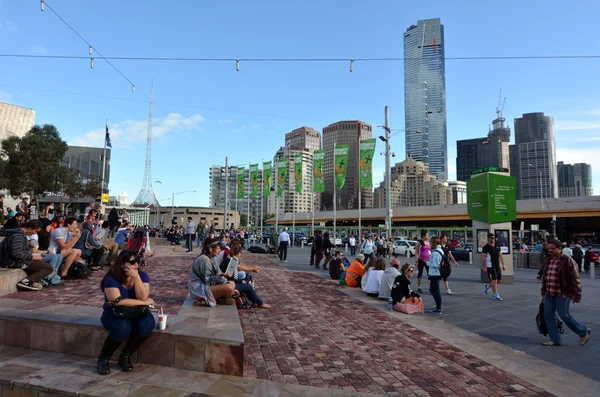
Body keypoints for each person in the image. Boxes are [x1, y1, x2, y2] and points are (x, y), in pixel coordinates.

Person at [97, 250, 155, 375]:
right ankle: (103, 359)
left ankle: (125, 355)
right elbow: (117, 301)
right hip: (114, 313)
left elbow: (143, 296)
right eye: (132, 262)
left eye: (137, 262)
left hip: (136, 312)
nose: (136, 265)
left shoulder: (142, 275)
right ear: (122, 264)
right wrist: (143, 303)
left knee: (148, 324)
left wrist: (136, 277)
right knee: (123, 328)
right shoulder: (111, 278)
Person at [540, 239, 591, 347]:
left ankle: (583, 332)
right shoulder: (547, 260)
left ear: (560, 249)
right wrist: (543, 291)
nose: (550, 250)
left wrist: (576, 295)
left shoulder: (567, 261)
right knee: (548, 315)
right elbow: (545, 276)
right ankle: (555, 339)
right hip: (549, 292)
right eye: (549, 248)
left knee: (564, 316)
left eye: (553, 248)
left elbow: (575, 279)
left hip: (562, 293)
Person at [0, 220, 53, 291]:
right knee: (47, 268)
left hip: (15, 259)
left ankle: (32, 280)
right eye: (35, 231)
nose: (34, 234)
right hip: (13, 261)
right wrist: (33, 257)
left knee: (44, 264)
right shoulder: (18, 236)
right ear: (29, 228)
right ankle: (26, 281)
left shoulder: (19, 234)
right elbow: (17, 253)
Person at [188, 237, 237, 306]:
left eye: (220, 248)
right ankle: (211, 299)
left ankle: (220, 298)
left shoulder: (212, 258)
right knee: (228, 287)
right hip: (199, 289)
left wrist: (225, 279)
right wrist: (222, 279)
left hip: (207, 286)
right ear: (210, 249)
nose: (220, 251)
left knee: (232, 283)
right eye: (218, 248)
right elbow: (208, 282)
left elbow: (219, 272)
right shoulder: (204, 260)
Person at [227, 243, 270, 308]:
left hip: (232, 282)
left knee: (247, 279)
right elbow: (230, 278)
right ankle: (259, 303)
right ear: (238, 253)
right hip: (230, 284)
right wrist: (240, 282)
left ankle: (254, 299)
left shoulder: (231, 260)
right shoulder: (231, 262)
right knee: (248, 286)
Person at [482, 233, 505, 301]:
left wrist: (503, 264)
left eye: (494, 238)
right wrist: (485, 267)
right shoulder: (486, 247)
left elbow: (500, 255)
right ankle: (495, 295)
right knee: (494, 280)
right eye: (491, 238)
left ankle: (488, 286)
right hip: (490, 266)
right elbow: (483, 257)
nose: (493, 239)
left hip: (497, 265)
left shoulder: (497, 246)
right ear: (488, 239)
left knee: (499, 280)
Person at [428, 237, 444, 313]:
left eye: (431, 242)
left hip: (435, 273)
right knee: (433, 289)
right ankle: (438, 305)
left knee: (435, 290)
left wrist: (427, 262)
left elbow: (435, 264)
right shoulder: (439, 250)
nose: (430, 244)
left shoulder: (435, 253)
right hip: (436, 273)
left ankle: (439, 307)